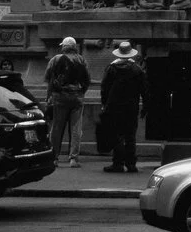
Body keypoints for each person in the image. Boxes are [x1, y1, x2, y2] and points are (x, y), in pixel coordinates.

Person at [99, 41, 146, 174]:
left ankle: (117, 163)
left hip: (114, 107)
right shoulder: (137, 70)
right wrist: (145, 107)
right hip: (131, 107)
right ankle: (131, 164)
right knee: (130, 136)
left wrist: (104, 104)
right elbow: (144, 90)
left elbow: (104, 89)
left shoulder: (111, 68)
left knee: (116, 135)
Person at [44, 35, 91, 167]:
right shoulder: (81, 60)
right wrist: (81, 92)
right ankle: (73, 159)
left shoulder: (55, 59)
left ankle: (54, 157)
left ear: (63, 47)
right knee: (76, 128)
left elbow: (49, 80)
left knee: (57, 127)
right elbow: (87, 80)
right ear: (74, 47)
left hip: (59, 97)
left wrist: (48, 97)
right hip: (77, 97)